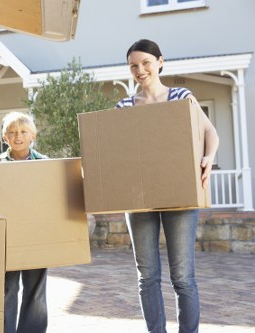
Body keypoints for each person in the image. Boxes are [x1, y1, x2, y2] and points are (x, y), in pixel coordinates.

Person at [116, 39, 219, 333]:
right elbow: (116, 151)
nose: (140, 69)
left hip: (180, 194)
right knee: (147, 276)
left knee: (183, 276)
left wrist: (209, 157)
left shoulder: (181, 97)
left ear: (160, 62)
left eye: (146, 62)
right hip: (139, 198)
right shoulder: (124, 106)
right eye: (134, 65)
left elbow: (210, 132)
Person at [0, 111, 49, 333]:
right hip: (6, 237)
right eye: (12, 132)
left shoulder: (45, 164)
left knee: (36, 289)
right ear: (4, 138)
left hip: (37, 236)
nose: (18, 136)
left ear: (32, 136)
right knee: (7, 287)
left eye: (23, 132)